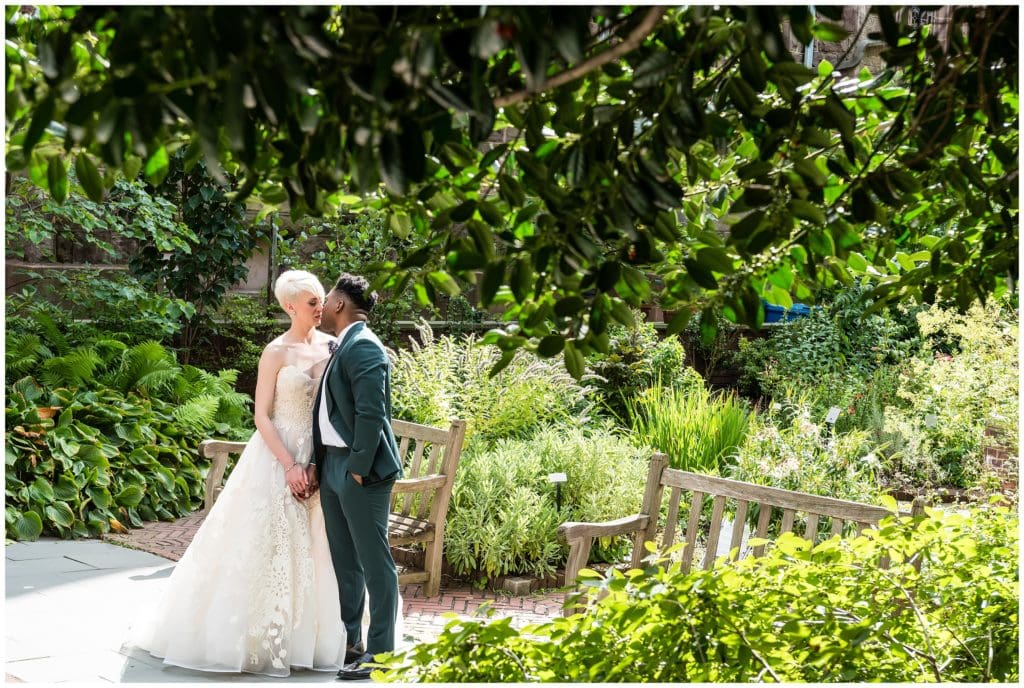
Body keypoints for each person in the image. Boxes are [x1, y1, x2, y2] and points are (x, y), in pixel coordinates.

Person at [131, 270, 348, 677]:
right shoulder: (276, 351)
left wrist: (316, 462)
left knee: (319, 547)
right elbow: (261, 416)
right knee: (264, 544)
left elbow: (334, 412)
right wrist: (289, 465)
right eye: (312, 303)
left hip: (319, 455)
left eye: (321, 300)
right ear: (289, 307)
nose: (321, 308)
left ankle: (314, 640)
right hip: (276, 455)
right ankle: (256, 639)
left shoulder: (334, 346)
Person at [313, 273, 403, 681]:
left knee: (374, 562)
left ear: (339, 304)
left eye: (328, 295)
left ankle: (382, 653)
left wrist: (357, 470)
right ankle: (351, 641)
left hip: (358, 471)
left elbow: (372, 414)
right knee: (344, 560)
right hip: (333, 464)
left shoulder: (365, 345)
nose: (323, 300)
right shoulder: (344, 343)